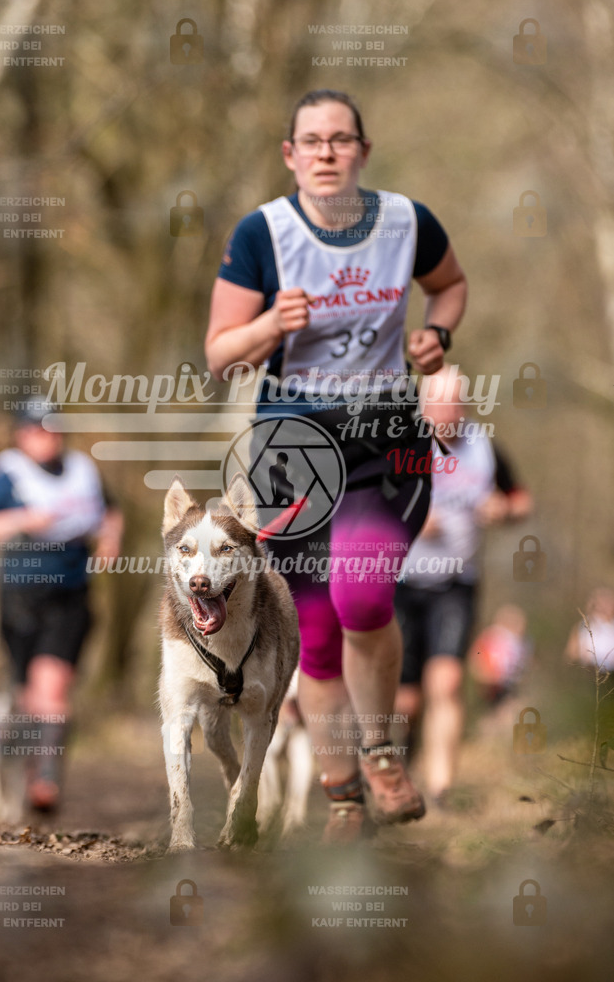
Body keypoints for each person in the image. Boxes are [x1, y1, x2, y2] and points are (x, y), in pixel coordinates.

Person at [205, 89, 467, 840]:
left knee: (360, 594)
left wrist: (435, 338)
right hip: (292, 451)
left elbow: (448, 287)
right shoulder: (263, 233)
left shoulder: (406, 222)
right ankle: (342, 796)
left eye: (340, 139)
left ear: (362, 150)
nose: (325, 152)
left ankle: (382, 750)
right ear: (289, 155)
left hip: (387, 441)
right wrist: (266, 324)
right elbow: (220, 353)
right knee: (314, 633)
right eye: (310, 141)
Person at [0, 400, 124, 812]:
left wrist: (110, 540)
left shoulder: (83, 470)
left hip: (70, 593)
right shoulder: (7, 473)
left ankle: (46, 781)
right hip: (19, 596)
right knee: (28, 692)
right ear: (22, 434)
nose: (47, 438)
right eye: (37, 430)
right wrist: (21, 519)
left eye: (53, 430)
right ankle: (23, 770)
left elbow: (112, 512)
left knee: (51, 685)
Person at [394, 365, 532, 804]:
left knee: (448, 682)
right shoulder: (402, 443)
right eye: (436, 405)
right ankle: (399, 766)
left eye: (453, 405)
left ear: (465, 405)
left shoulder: (484, 448)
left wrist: (503, 511)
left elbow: (520, 499)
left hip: (457, 581)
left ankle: (440, 789)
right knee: (406, 700)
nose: (445, 413)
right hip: (401, 582)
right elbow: (371, 505)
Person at [565, 587, 614, 672]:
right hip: (589, 672)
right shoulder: (584, 625)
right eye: (602, 603)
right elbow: (570, 655)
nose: (606, 606)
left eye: (609, 603)